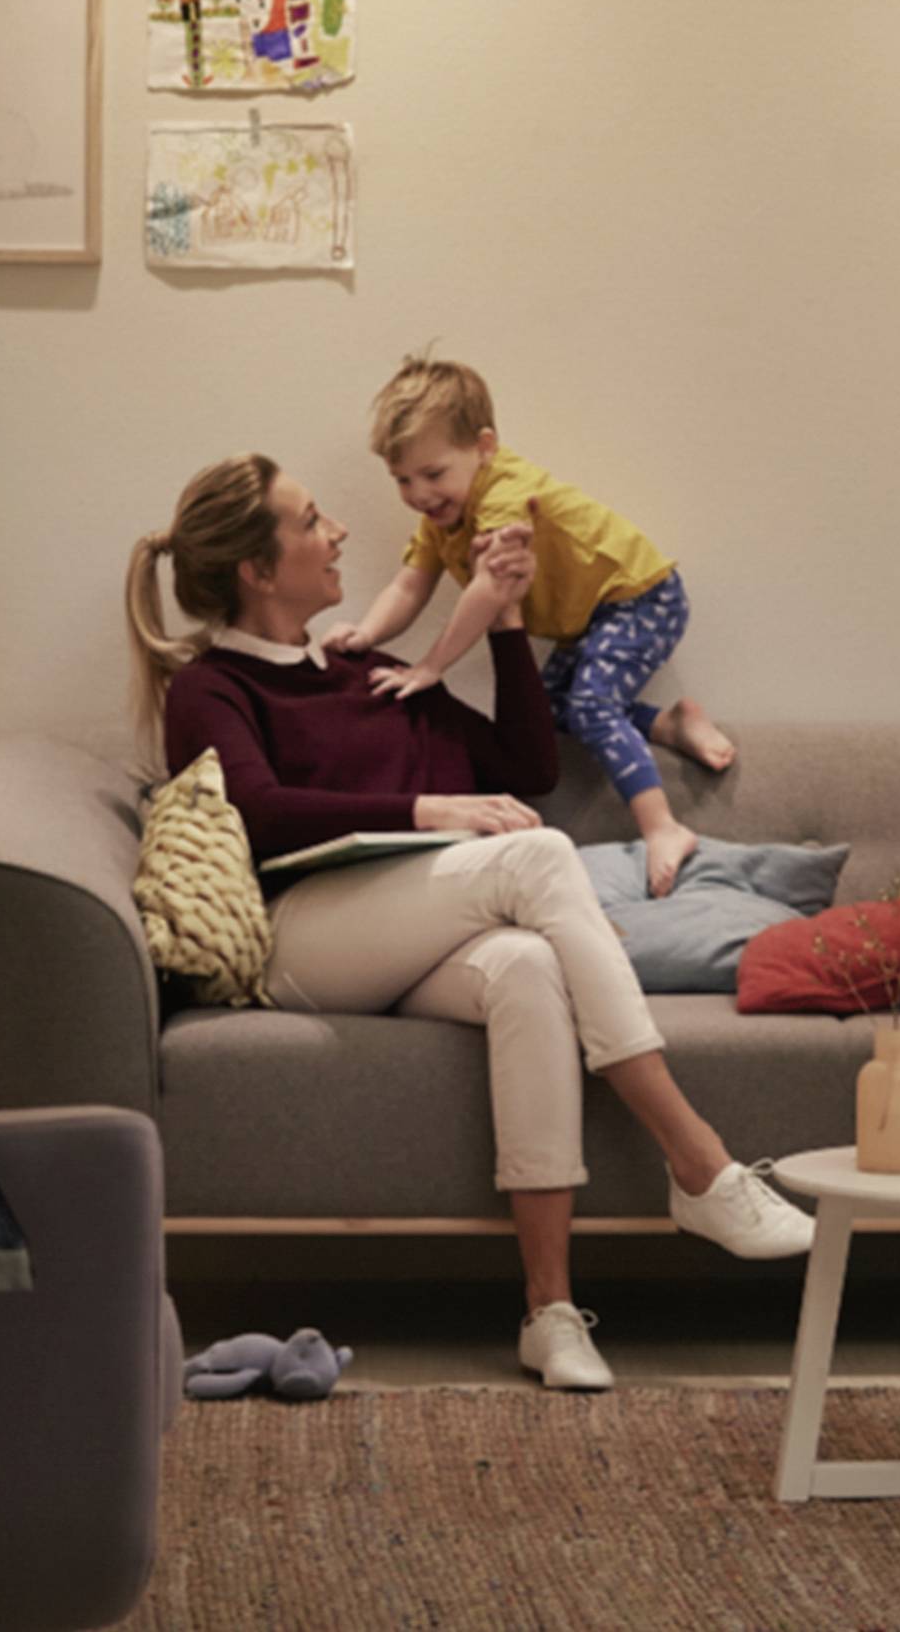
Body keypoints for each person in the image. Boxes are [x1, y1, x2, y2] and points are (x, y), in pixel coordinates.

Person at [127, 452, 812, 1393]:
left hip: (416, 931)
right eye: (314, 520)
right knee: (538, 856)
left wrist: (507, 618)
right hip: (307, 938)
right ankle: (700, 1165)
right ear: (255, 567)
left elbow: (521, 763)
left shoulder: (361, 666)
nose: (339, 535)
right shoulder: (211, 687)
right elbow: (258, 808)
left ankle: (551, 1313)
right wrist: (426, 813)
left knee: (528, 968)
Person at [322, 355, 736, 898]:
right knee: (547, 714)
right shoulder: (438, 521)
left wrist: (432, 665)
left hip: (639, 597)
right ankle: (667, 725)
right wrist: (368, 635)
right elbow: (409, 585)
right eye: (402, 479)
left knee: (590, 705)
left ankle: (662, 826)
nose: (419, 493)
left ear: (484, 447)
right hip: (591, 618)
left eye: (433, 474)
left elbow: (490, 588)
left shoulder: (505, 491)